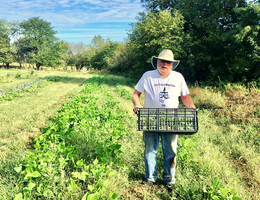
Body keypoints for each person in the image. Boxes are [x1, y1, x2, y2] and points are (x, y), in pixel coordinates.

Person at [132, 49, 195, 188]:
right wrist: (137, 104)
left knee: (170, 150)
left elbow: (184, 97)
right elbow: (136, 94)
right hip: (150, 118)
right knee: (150, 149)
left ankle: (169, 180)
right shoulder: (148, 76)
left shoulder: (178, 77)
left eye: (168, 62)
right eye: (162, 61)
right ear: (157, 62)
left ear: (172, 64)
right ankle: (150, 178)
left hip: (171, 119)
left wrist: (190, 105)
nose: (165, 64)